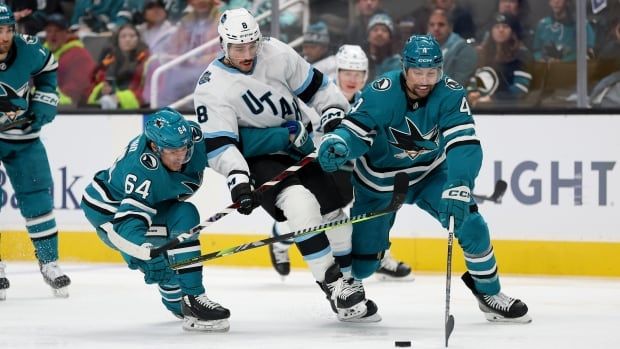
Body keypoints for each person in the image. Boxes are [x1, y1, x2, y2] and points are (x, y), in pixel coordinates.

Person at [317, 34, 532, 323]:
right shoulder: (380, 92)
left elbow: (464, 143)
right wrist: (341, 145)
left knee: (471, 223)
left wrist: (459, 184)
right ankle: (350, 286)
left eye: (432, 72)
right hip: (379, 184)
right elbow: (355, 132)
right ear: (405, 68)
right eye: (418, 71)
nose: (425, 79)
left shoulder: (451, 93)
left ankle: (489, 293)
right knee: (366, 262)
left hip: (432, 174)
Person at [193, 8, 378, 322]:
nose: (248, 53)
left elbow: (317, 88)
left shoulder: (276, 51)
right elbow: (220, 145)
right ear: (223, 44)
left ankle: (350, 290)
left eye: (252, 44)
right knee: (301, 206)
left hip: (301, 146)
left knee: (336, 219)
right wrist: (238, 178)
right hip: (259, 160)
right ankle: (332, 284)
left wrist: (332, 110)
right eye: (239, 48)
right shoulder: (212, 87)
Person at [268, 44, 414, 282]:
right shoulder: (318, 103)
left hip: (350, 169)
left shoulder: (368, 102)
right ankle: (279, 239)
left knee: (375, 206)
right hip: (317, 169)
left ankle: (378, 255)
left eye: (358, 74)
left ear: (366, 76)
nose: (352, 79)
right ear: (337, 72)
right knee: (315, 216)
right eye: (347, 72)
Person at [80, 108, 231, 332]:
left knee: (181, 221)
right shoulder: (140, 170)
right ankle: (192, 299)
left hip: (152, 205)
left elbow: (233, 143)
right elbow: (127, 224)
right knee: (162, 254)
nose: (181, 155)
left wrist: (284, 138)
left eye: (184, 148)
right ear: (154, 147)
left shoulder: (189, 136)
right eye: (172, 151)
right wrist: (143, 251)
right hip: (110, 214)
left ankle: (185, 303)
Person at [0, 5, 70, 299]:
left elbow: (48, 69)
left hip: (24, 137)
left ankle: (49, 262)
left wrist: (43, 102)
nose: (3, 37)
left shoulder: (29, 49)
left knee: (38, 195)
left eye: (7, 30)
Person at [467, 13, 533, 106]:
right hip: (482, 108)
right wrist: (472, 92)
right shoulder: (485, 54)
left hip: (511, 110)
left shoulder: (522, 55)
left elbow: (520, 89)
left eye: (505, 27)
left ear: (513, 32)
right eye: (497, 27)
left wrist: (493, 99)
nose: (501, 30)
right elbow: (477, 80)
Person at [43, 13, 96, 107]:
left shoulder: (79, 55)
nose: (53, 35)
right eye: (49, 31)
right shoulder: (41, 54)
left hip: (70, 110)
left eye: (57, 31)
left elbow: (77, 91)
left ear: (66, 33)